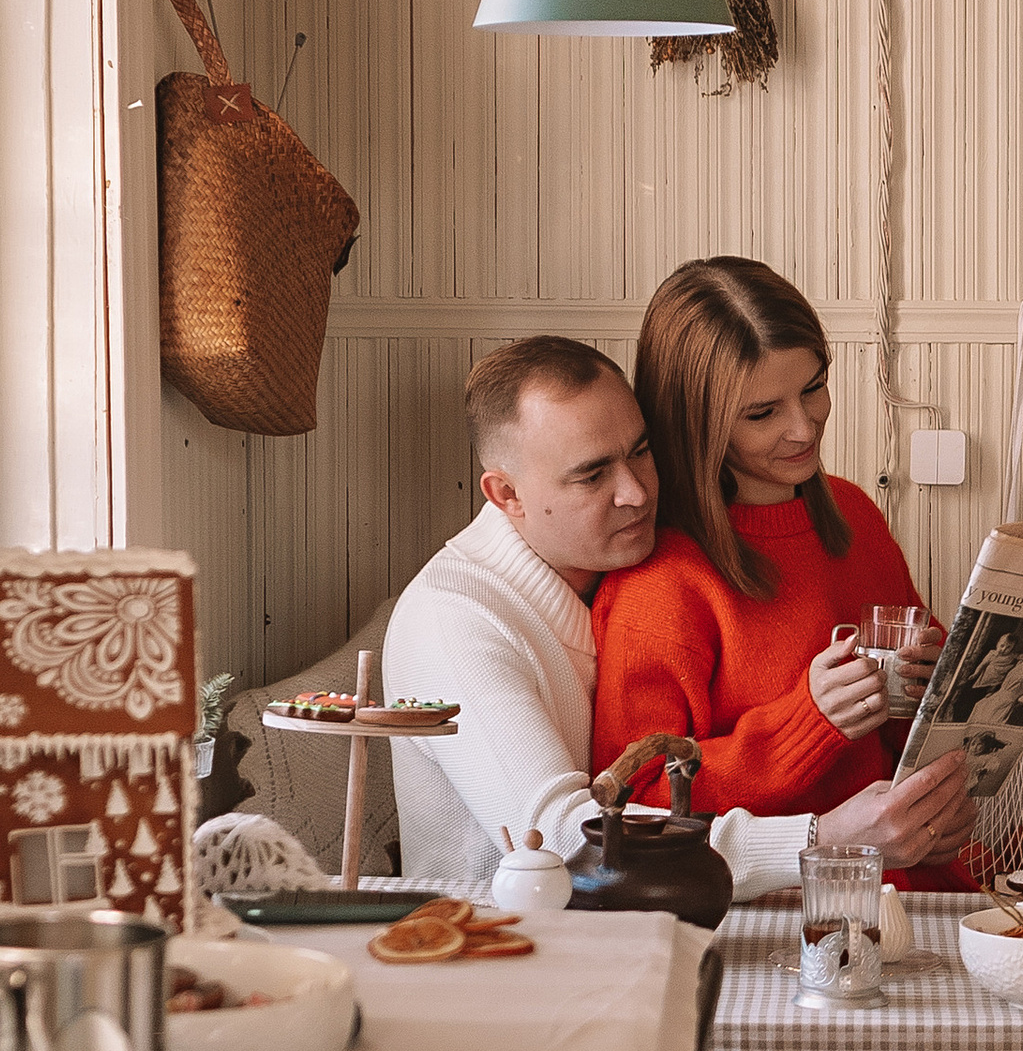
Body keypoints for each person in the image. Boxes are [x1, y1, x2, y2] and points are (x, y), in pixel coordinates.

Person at [380, 333, 971, 894]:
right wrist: (822, 838)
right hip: (491, 939)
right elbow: (566, 843)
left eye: (641, 451)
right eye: (592, 475)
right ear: (507, 495)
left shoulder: (612, 568)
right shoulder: (453, 622)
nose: (637, 492)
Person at [592, 259, 951, 854]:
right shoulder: (660, 586)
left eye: (814, 388)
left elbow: (904, 746)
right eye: (762, 413)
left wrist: (931, 692)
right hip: (773, 894)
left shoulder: (854, 514)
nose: (804, 429)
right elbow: (636, 804)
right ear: (695, 422)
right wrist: (808, 724)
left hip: (906, 871)